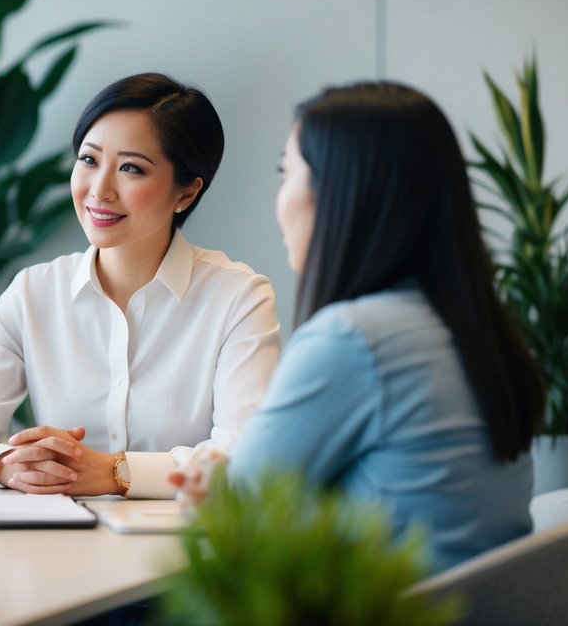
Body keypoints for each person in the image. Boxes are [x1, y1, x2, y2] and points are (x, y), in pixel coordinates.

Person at [171, 82, 545, 571]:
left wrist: (211, 489)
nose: (279, 199)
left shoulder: (354, 340)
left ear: (341, 192)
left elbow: (243, 512)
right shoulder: (471, 328)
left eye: (288, 173)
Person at [0, 73, 282, 498]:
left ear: (186, 192)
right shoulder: (33, 293)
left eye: (131, 168)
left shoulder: (238, 298)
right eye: (89, 160)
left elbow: (248, 458)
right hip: (56, 544)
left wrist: (116, 473)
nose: (99, 190)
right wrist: (7, 464)